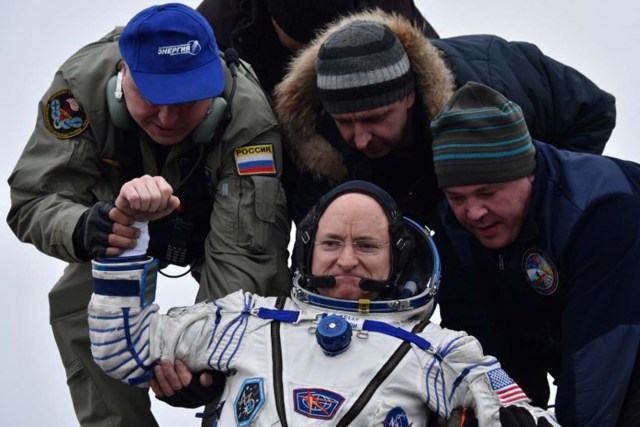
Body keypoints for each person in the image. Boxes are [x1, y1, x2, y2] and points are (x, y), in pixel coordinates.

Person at [6, 3, 290, 426]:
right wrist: (83, 227)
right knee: (77, 306)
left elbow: (246, 261)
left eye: (188, 102)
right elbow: (34, 196)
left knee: (252, 326)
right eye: (153, 98)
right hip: (115, 231)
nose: (168, 118)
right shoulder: (80, 90)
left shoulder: (247, 121)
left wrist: (207, 365)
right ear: (123, 76)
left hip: (216, 227)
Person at [88, 180, 559, 426]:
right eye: (332, 243)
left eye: (368, 246)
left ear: (396, 260)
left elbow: (511, 406)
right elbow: (124, 348)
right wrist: (127, 243)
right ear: (307, 251)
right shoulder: (246, 319)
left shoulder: (440, 351)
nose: (347, 260)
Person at [274, 10, 616, 225]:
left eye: (374, 118)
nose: (360, 139)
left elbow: (593, 111)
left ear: (409, 96)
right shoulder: (317, 140)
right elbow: (316, 235)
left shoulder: (493, 80)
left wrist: (540, 200)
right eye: (345, 122)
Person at [429, 82, 640, 426]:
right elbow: (479, 346)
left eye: (488, 192)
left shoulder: (600, 209)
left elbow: (599, 355)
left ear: (527, 172)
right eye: (457, 197)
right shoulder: (454, 226)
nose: (474, 212)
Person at [195, 0, 439, 97]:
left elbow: (435, 67)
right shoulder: (217, 27)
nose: (315, 54)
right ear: (274, 18)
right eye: (305, 43)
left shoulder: (386, 10)